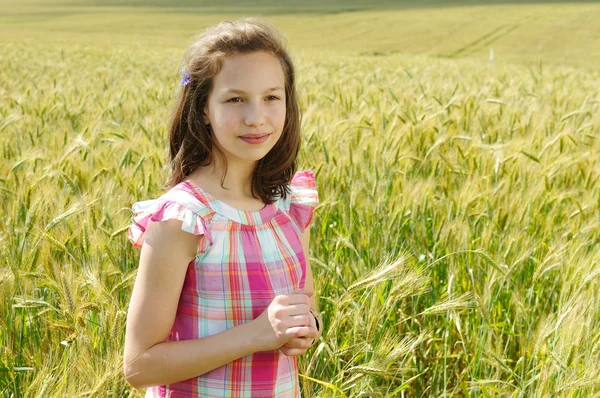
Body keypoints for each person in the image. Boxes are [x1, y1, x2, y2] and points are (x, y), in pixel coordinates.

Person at [123, 18, 323, 397]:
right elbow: (139, 365)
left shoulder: (289, 206)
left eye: (271, 97)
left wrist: (303, 329)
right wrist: (255, 335)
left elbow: (307, 305)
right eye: (235, 99)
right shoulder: (184, 219)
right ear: (202, 108)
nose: (255, 117)